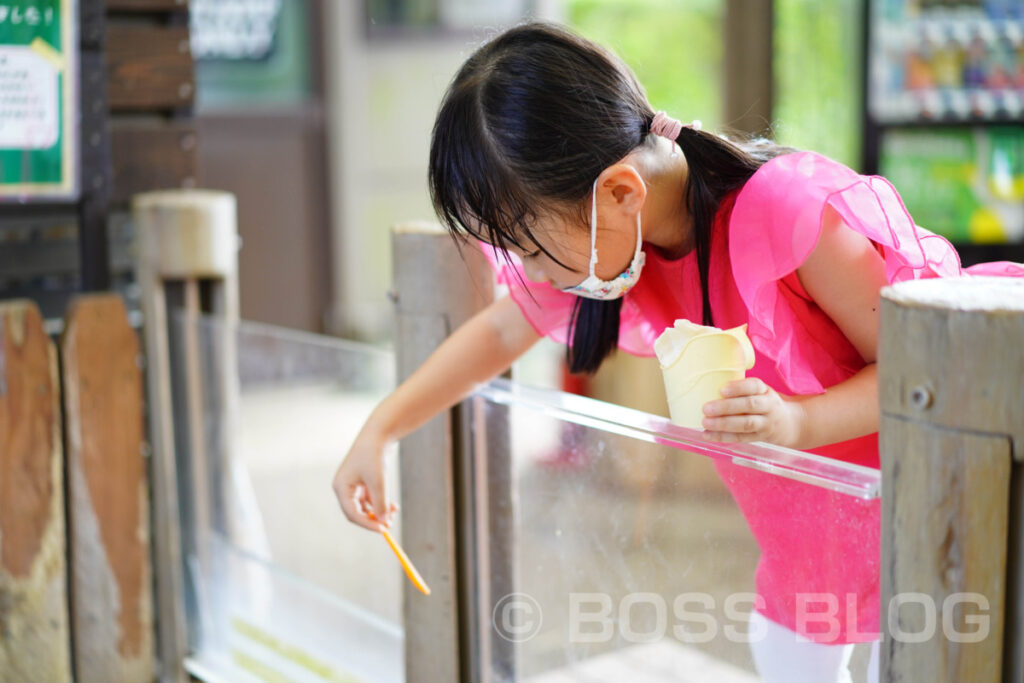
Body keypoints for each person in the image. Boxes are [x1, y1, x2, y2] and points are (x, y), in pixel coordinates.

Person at [333, 21, 1023, 683]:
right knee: (786, 656)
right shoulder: (623, 247)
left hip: (923, 532)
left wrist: (799, 423)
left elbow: (923, 379)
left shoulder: (788, 214)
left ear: (622, 191)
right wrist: (379, 430)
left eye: (531, 248)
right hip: (809, 557)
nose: (531, 274)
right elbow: (499, 332)